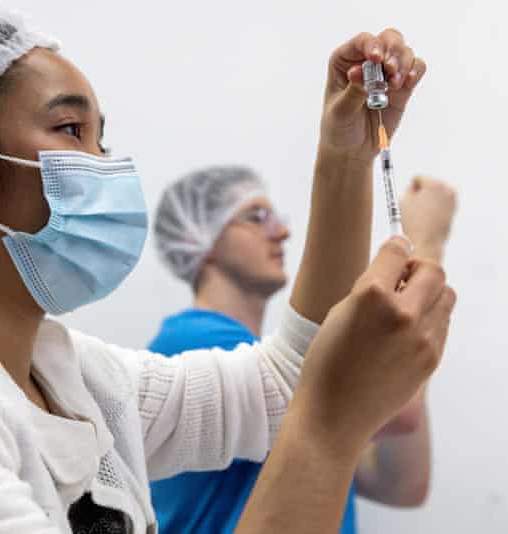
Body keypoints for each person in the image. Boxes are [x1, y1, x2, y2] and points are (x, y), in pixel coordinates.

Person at [0, 10, 455, 534]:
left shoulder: (77, 380)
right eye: (69, 131)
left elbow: (287, 385)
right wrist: (331, 431)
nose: (105, 167)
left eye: (102, 139)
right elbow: (314, 405)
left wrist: (345, 155)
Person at [149, 167, 457, 533]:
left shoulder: (266, 370)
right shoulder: (190, 344)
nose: (282, 231)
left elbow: (400, 485)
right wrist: (423, 242)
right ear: (198, 236)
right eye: (256, 216)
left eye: (275, 217)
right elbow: (392, 408)